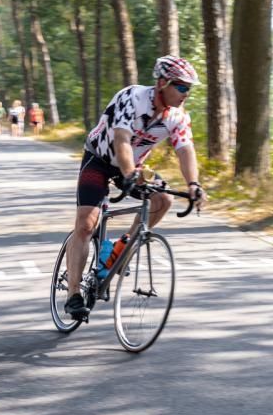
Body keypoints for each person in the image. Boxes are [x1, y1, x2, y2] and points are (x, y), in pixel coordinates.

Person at [63, 56, 208, 319]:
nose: (186, 94)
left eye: (190, 89)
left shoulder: (177, 116)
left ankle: (120, 248)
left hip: (134, 167)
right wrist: (129, 173)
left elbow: (185, 150)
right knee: (86, 224)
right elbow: (122, 139)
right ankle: (73, 294)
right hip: (100, 159)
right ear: (163, 83)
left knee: (163, 200)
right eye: (183, 87)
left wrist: (194, 184)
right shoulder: (132, 97)